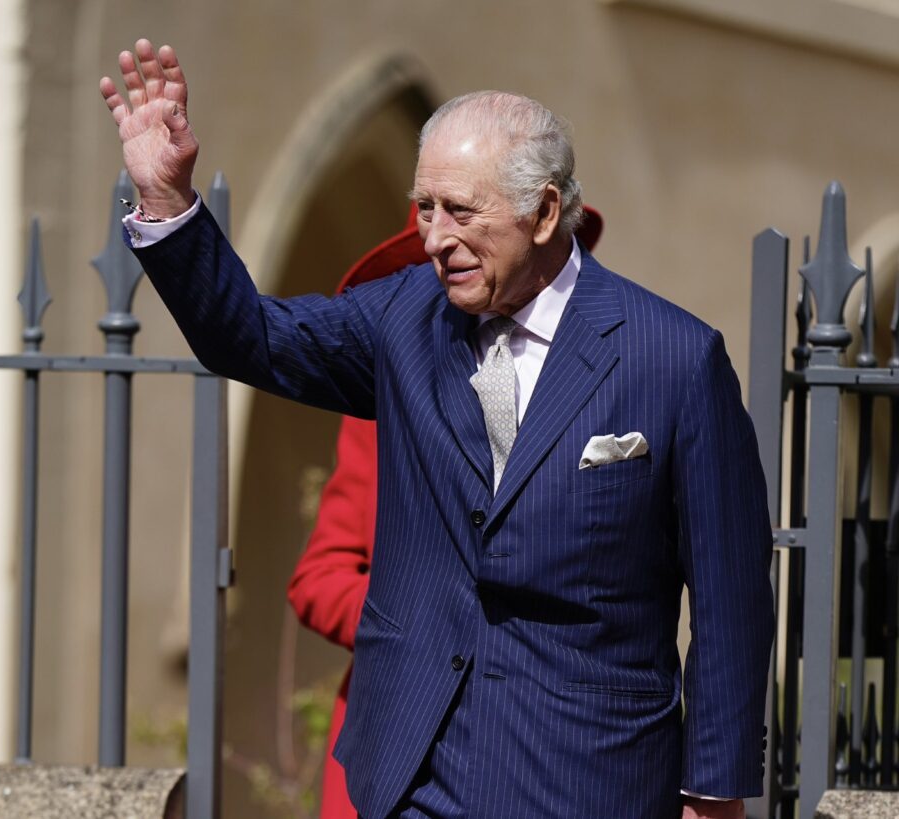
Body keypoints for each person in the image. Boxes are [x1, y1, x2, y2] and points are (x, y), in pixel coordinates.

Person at [101, 39, 773, 819]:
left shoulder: (673, 358)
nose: (432, 236)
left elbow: (730, 595)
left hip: (589, 780)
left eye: (460, 210)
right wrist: (167, 202)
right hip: (413, 775)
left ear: (543, 212)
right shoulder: (403, 319)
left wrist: (712, 793)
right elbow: (252, 336)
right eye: (425, 208)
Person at [287, 203, 603, 819]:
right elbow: (319, 578)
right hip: (400, 735)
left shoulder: (592, 383)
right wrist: (419, 620)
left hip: (550, 741)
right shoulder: (381, 409)